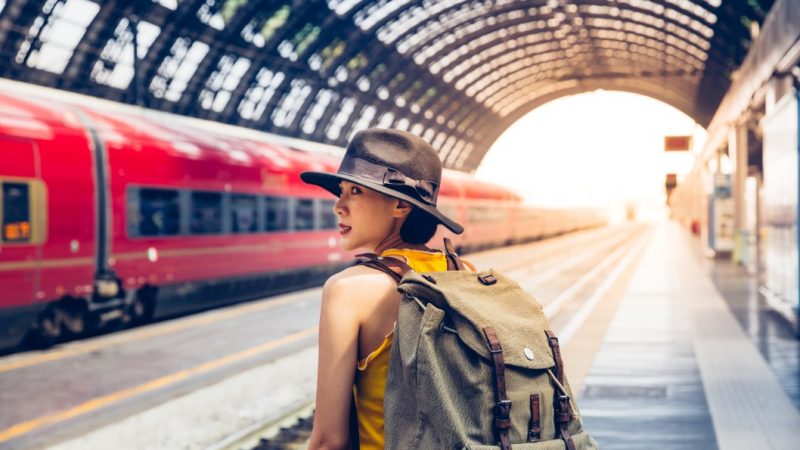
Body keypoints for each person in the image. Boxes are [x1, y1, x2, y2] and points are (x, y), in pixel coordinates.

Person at [300, 128, 464, 450]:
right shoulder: (463, 271)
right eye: (341, 191)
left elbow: (328, 441)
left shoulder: (349, 290)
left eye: (356, 191)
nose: (339, 206)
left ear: (400, 207)